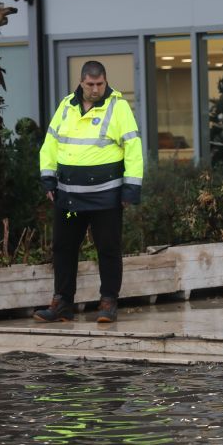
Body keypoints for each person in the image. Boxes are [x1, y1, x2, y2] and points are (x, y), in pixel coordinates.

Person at [35, 60, 143, 324]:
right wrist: (48, 178)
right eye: (90, 84)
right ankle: (62, 303)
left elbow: (133, 148)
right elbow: (50, 143)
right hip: (70, 198)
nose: (95, 89)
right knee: (64, 248)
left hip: (106, 196)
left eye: (100, 84)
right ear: (82, 82)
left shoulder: (118, 107)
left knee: (108, 248)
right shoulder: (66, 106)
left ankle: (108, 302)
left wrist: (131, 189)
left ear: (105, 82)